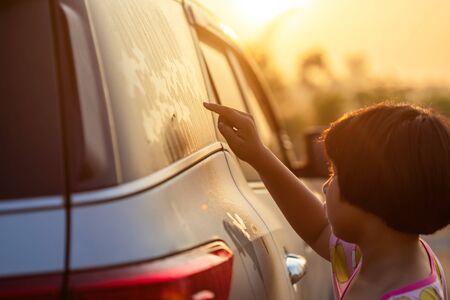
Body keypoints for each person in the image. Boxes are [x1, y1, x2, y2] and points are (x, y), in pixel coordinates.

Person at [203, 101, 449, 300]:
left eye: (336, 174)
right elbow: (319, 228)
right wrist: (259, 156)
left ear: (371, 191)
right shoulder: (384, 252)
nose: (325, 185)